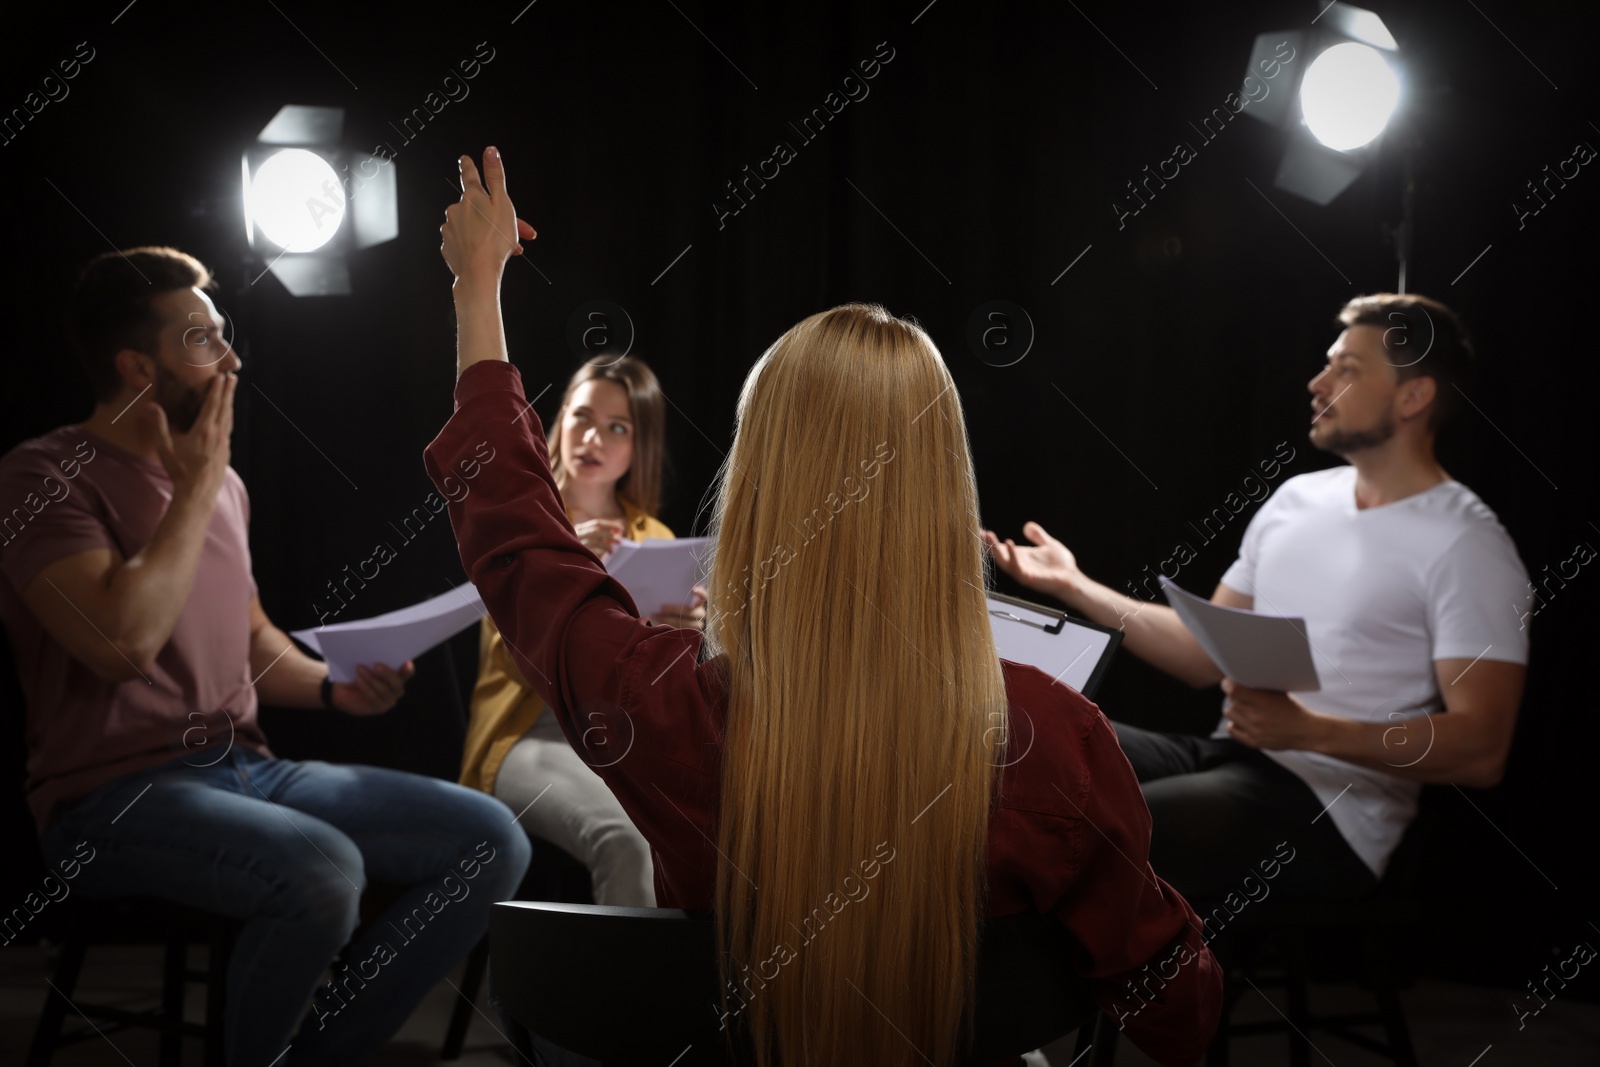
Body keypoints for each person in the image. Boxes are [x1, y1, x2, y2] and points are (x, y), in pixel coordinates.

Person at [429, 147, 1220, 1067]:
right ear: (942, 501)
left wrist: (476, 288)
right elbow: (1180, 1011)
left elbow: (519, 541)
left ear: (759, 492)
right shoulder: (1056, 738)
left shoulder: (662, 706)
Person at [0, 247, 531, 1067]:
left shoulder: (226, 486)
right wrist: (196, 486)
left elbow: (249, 638)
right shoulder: (43, 476)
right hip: (106, 798)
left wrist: (330, 690)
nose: (233, 359)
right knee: (325, 869)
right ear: (137, 365)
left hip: (244, 766)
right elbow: (120, 642)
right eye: (204, 340)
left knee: (491, 838)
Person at [985, 293, 1530, 908]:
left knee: (1093, 832)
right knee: (1018, 742)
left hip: (1330, 809)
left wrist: (1310, 730)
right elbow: (1201, 656)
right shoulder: (1299, 499)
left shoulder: (1466, 541)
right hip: (1231, 754)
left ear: (1414, 397)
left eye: (1346, 369)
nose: (1317, 382)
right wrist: (1072, 584)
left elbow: (1483, 749)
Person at [464, 352, 706, 908]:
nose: (593, 438)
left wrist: (685, 634)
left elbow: (660, 682)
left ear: (638, 445)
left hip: (621, 738)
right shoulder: (528, 522)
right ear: (560, 420)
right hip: (528, 738)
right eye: (582, 417)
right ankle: (617, 998)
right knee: (626, 838)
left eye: (617, 427)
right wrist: (571, 564)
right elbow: (516, 655)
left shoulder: (655, 535)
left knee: (708, 825)